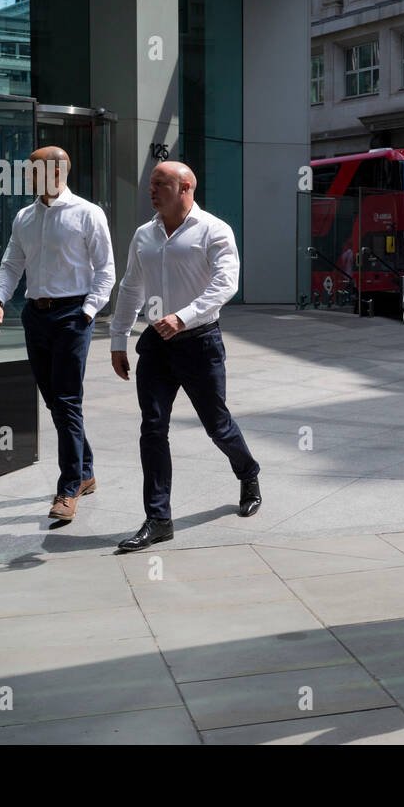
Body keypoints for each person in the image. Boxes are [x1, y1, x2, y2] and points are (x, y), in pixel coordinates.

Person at [110, 161, 261, 553]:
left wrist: (184, 316)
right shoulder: (145, 235)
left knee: (217, 425)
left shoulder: (213, 230)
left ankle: (248, 472)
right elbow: (130, 287)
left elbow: (226, 283)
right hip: (157, 346)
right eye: (151, 183)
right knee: (153, 427)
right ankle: (158, 518)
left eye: (161, 183)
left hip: (200, 342)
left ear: (186, 187)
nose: (152, 189)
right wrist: (118, 338)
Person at [0, 147, 115, 522]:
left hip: (72, 315)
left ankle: (68, 487)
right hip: (35, 317)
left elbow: (106, 270)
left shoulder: (88, 214)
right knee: (56, 403)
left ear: (57, 170)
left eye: (33, 169)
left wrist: (88, 313)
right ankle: (86, 471)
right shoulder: (25, 217)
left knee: (67, 400)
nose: (27, 175)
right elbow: (12, 264)